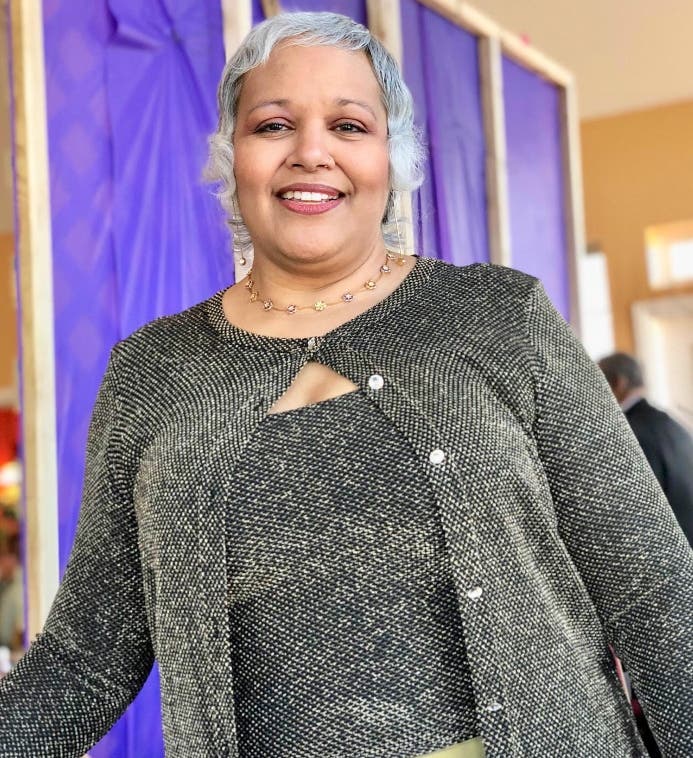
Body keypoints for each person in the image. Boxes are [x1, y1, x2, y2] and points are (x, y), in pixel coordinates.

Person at [0, 11, 691, 758]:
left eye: (348, 126)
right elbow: (85, 658)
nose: (310, 152)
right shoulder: (154, 372)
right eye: (273, 125)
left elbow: (650, 589)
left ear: (393, 157)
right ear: (231, 155)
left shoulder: (499, 316)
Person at [599, 351, 693, 545]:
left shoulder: (628, 431)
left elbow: (637, 506)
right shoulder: (670, 423)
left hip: (665, 546)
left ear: (618, 383)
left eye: (598, 384)